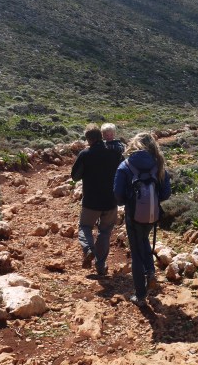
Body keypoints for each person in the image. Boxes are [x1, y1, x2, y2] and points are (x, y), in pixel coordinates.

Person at [113, 132, 171, 307]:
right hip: (152, 214)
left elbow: (117, 195)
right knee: (143, 240)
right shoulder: (158, 164)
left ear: (135, 145)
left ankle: (140, 296)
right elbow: (166, 193)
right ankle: (151, 272)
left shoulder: (126, 165)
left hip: (133, 214)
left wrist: (130, 202)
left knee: (136, 253)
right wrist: (151, 201)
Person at [71, 123, 123, 275]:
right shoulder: (115, 153)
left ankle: (88, 248)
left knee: (85, 227)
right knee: (105, 232)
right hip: (111, 201)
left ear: (88, 140)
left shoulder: (85, 154)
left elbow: (75, 176)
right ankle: (101, 265)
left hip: (91, 202)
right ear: (101, 136)